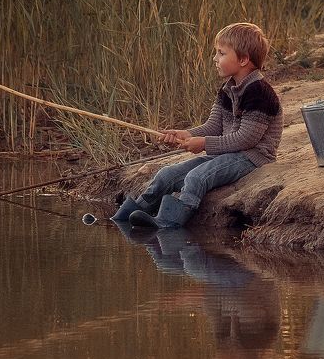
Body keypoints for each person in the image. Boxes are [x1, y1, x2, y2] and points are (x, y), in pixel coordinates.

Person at [111, 22, 283, 229]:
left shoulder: (259, 93)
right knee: (166, 175)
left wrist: (203, 144)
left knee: (196, 177)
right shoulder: (228, 89)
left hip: (251, 157)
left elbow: (246, 139)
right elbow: (213, 127)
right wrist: (185, 134)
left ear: (243, 59)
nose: (215, 58)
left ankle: (169, 222)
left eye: (221, 53)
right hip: (228, 153)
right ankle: (129, 216)